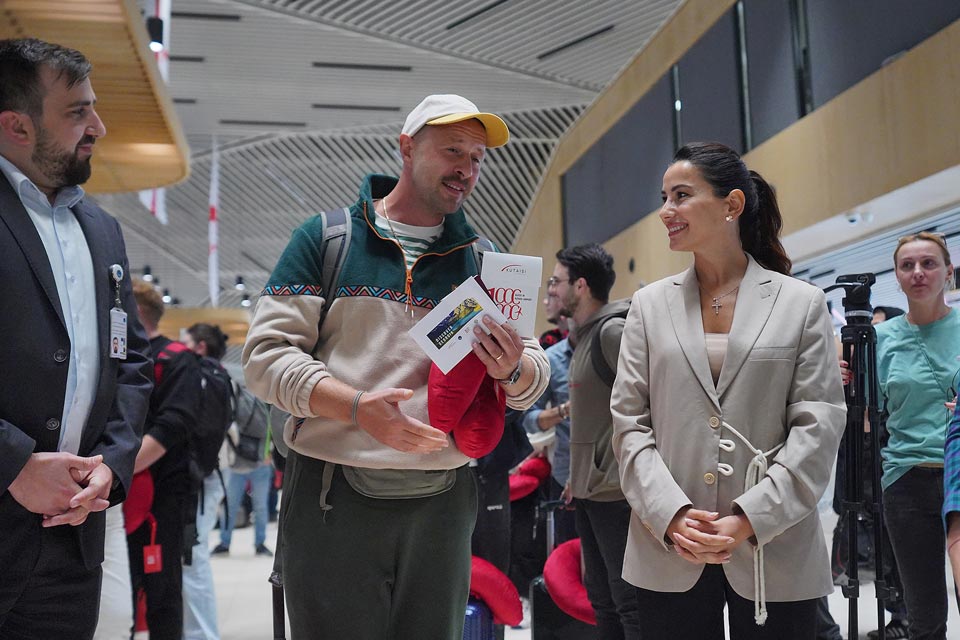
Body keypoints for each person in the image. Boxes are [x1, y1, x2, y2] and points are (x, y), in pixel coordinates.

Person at [242, 93, 550, 639]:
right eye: (453, 150)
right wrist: (357, 409)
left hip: (444, 500)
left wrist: (510, 372)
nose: (467, 169)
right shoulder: (327, 238)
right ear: (406, 148)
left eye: (478, 158)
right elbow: (265, 359)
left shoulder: (484, 258)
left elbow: (531, 370)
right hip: (332, 495)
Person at [611, 142, 846, 639]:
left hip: (774, 545)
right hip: (669, 545)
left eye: (680, 195)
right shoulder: (649, 306)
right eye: (664, 197)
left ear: (732, 205)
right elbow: (629, 424)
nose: (665, 211)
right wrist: (671, 515)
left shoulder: (801, 304)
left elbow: (819, 425)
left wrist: (751, 516)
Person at [0, 38, 152, 639]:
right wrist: (13, 464)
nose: (99, 126)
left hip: (72, 542)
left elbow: (131, 361)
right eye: (77, 112)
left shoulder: (103, 230)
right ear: (15, 125)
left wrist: (112, 463)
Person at [854, 232, 957, 640]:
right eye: (907, 265)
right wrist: (849, 379)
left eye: (929, 264)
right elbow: (866, 417)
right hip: (906, 481)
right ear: (896, 276)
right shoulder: (882, 340)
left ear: (949, 272)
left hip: (958, 474)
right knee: (924, 615)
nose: (918, 273)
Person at [549, 243, 639, 639]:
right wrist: (578, 476)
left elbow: (652, 405)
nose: (551, 289)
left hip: (615, 493)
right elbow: (593, 420)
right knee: (604, 603)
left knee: (628, 604)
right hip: (590, 492)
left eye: (556, 281)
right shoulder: (583, 338)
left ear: (580, 286)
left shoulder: (611, 332)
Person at [129, 280, 202, 640]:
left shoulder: (175, 358)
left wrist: (117, 469)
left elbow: (174, 423)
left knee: (162, 591)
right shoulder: (120, 357)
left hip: (162, 497)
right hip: (114, 494)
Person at [181, 323, 231, 640]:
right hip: (210, 476)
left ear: (200, 346)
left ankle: (202, 634)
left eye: (183, 340)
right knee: (193, 561)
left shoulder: (200, 378)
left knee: (193, 561)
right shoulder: (220, 377)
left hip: (198, 480)